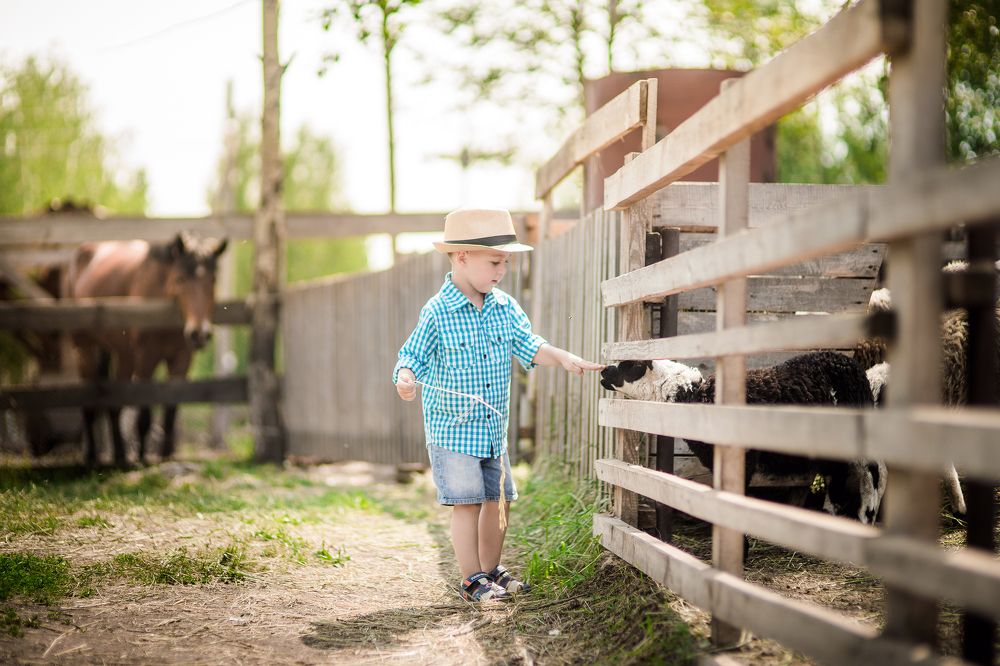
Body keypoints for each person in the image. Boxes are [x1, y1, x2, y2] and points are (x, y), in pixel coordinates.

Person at [393, 208, 604, 603]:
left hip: (493, 431)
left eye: (505, 262)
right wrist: (405, 378)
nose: (501, 270)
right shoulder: (437, 311)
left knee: (499, 500)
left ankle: (491, 571)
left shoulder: (504, 307)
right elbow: (412, 356)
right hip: (453, 429)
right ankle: (472, 578)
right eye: (494, 262)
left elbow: (529, 344)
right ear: (461, 257)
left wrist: (561, 357)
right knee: (467, 502)